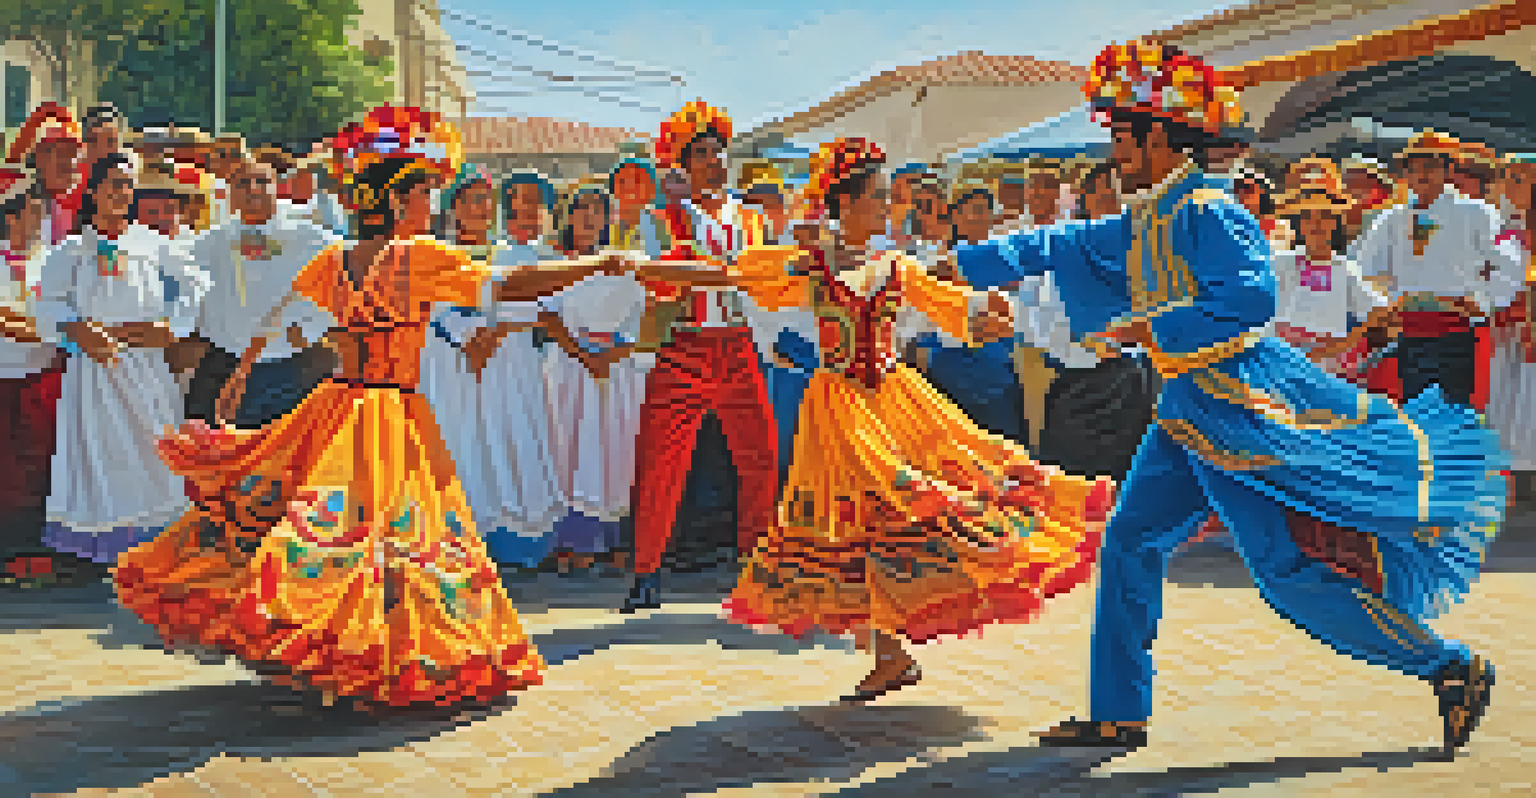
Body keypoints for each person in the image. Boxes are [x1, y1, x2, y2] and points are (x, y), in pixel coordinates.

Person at [958, 40, 1505, 756]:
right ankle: (1118, 710)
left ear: (1160, 137)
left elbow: (1249, 299)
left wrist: (1149, 327)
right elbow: (1059, 244)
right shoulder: (1152, 213)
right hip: (1190, 410)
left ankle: (1450, 665)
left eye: (1122, 137)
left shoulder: (1209, 209)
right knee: (1128, 542)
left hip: (1240, 407)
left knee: (1283, 575)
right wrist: (943, 265)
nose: (1114, 152)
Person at [114, 112, 567, 707]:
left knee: (350, 535)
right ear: (400, 199)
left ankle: (336, 648)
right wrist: (600, 266)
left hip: (338, 405)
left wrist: (239, 375)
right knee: (392, 539)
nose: (430, 205)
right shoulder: (414, 255)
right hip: (390, 413)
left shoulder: (338, 260)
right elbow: (505, 287)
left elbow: (281, 314)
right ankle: (366, 654)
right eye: (424, 193)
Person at [721, 136, 1111, 701]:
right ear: (846, 201)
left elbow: (958, 312)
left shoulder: (896, 268)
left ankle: (899, 645)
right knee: (856, 523)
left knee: (910, 498)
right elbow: (735, 276)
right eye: (880, 196)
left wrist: (1012, 320)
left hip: (891, 401)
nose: (889, 206)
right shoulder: (809, 265)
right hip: (835, 408)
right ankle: (889, 655)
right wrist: (645, 269)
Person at [622, 101, 781, 611]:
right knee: (662, 462)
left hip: (737, 344)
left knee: (760, 458)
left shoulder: (749, 217)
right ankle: (645, 570)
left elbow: (761, 278)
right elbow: (662, 285)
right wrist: (683, 220)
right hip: (684, 346)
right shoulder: (661, 216)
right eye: (704, 154)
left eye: (719, 153)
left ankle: (757, 564)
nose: (716, 162)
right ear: (682, 164)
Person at [32, 152, 212, 566]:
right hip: (95, 369)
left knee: (154, 450)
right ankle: (110, 551)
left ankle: (160, 547)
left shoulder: (152, 243)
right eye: (113, 183)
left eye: (127, 184)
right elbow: (48, 306)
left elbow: (198, 285)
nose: (121, 192)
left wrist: (173, 325)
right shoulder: (72, 250)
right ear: (93, 191)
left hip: (146, 365)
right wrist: (75, 328)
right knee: (102, 454)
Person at [1352, 131, 1524, 409]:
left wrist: (1480, 300)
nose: (1422, 174)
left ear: (1449, 170)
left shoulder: (1477, 212)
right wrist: (1385, 307)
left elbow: (1510, 264)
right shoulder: (1391, 219)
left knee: (1454, 409)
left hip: (1458, 331)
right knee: (1414, 411)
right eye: (1414, 167)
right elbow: (1363, 272)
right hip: (1408, 331)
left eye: (1431, 166)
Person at [458, 171, 567, 571]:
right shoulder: (480, 253)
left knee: (520, 436)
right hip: (474, 359)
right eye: (516, 197)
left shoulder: (540, 256)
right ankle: (478, 536)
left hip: (519, 355)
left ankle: (523, 538)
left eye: (533, 199)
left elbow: (548, 309)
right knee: (481, 442)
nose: (526, 206)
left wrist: (509, 324)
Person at [183, 158, 336, 429]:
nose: (253, 189)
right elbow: (179, 290)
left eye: (262, 181)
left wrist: (313, 329)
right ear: (229, 191)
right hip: (225, 363)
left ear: (277, 187)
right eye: (242, 183)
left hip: (291, 364)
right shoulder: (206, 243)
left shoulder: (314, 239)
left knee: (289, 456)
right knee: (219, 455)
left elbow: (340, 290)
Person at [0, 168, 70, 585]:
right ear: (12, 216)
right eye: (35, 209)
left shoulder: (52, 259)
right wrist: (46, 328)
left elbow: (62, 311)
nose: (43, 217)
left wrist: (48, 329)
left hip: (41, 374)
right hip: (3, 373)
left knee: (38, 461)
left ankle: (30, 546)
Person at [1267, 163, 1394, 381]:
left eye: (1324, 216)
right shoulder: (1279, 262)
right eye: (1308, 217)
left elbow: (1379, 313)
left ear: (1334, 223)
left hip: (1327, 367)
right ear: (1300, 224)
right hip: (1282, 362)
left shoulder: (1345, 269)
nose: (1316, 224)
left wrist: (1344, 344)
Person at [1487, 154, 1536, 500]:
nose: (1512, 186)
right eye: (1509, 178)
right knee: (1508, 401)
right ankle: (1513, 481)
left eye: (1521, 179)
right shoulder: (1501, 231)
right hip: (1510, 333)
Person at [7, 103, 85, 246]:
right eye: (63, 153)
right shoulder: (14, 210)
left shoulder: (71, 211)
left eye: (74, 154)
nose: (71, 164)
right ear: (39, 158)